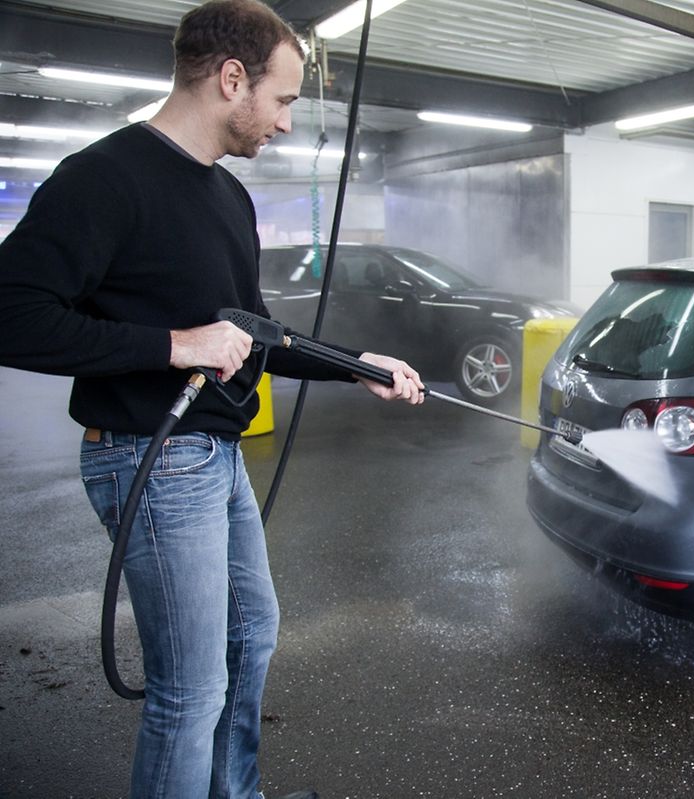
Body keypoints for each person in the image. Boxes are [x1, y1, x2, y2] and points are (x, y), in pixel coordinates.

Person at [0, 2, 423, 797]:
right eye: (286, 99)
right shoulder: (104, 177)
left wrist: (350, 362)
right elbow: (12, 315)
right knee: (190, 692)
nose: (289, 124)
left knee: (250, 636)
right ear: (232, 79)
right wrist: (173, 346)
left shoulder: (226, 197)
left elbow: (248, 329)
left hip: (214, 456)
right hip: (150, 460)